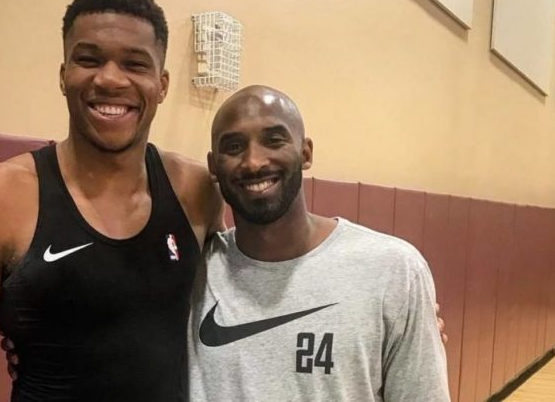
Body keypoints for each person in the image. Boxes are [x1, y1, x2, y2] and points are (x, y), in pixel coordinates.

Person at [0, 0, 223, 401]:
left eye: (135, 64)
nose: (110, 79)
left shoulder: (197, 191)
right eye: (89, 59)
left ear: (163, 84)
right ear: (64, 76)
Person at [187, 85, 450, 401]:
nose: (254, 162)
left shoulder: (394, 271)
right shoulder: (189, 273)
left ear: (305, 153)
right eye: (234, 146)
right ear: (213, 166)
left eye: (274, 140)